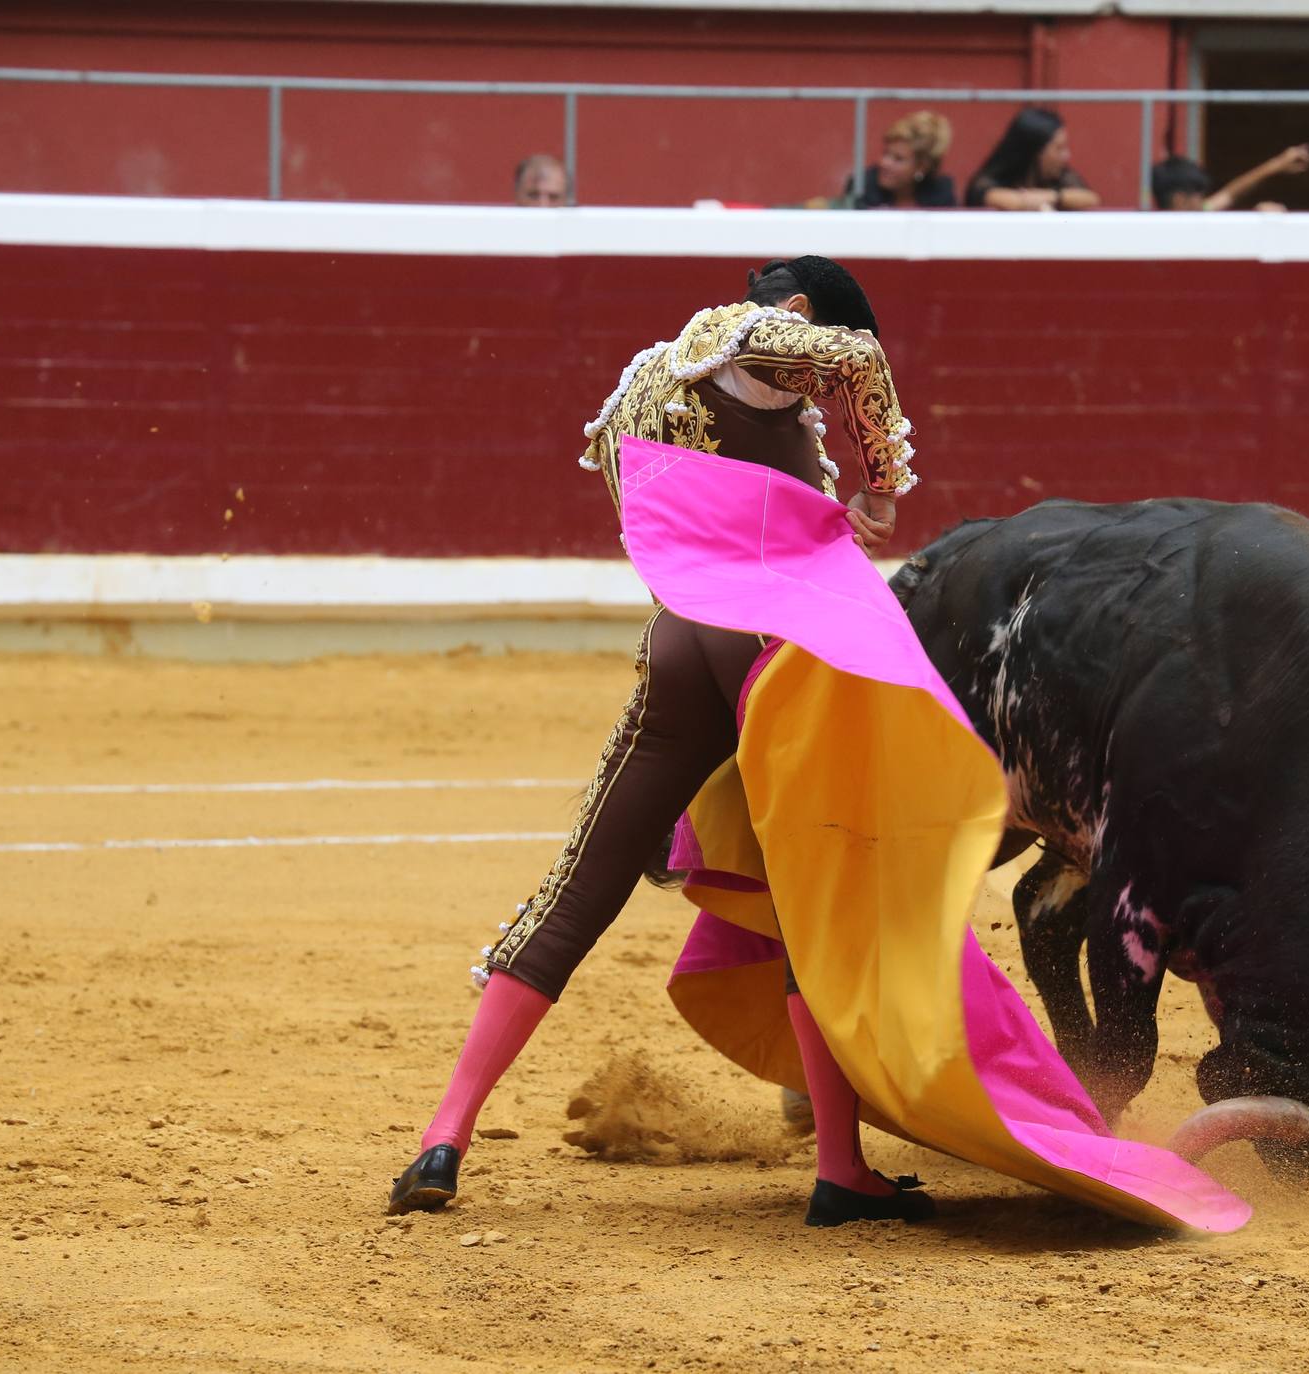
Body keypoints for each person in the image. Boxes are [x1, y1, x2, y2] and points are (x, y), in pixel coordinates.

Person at [388, 256, 928, 1227]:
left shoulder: (656, 375)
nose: (818, 381)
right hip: (766, 656)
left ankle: (445, 1135)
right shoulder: (757, 337)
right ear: (795, 311)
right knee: (819, 884)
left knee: (576, 888)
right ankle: (841, 1166)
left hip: (676, 647)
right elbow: (852, 356)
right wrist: (883, 483)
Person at [964, 107, 1098, 212]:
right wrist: (1032, 202)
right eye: (1059, 148)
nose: (1066, 155)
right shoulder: (986, 183)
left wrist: (1050, 196)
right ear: (1035, 151)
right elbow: (994, 197)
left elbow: (1090, 198)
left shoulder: (1059, 176)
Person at [844, 111, 957, 209]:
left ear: (921, 167)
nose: (884, 163)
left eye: (898, 159)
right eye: (886, 153)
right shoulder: (862, 187)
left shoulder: (941, 193)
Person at [1150, 146, 1309, 212]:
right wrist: (1257, 218)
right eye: (1198, 194)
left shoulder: (1196, 212)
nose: (1203, 199)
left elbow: (1230, 193)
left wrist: (1276, 165)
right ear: (1179, 200)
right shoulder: (1191, 227)